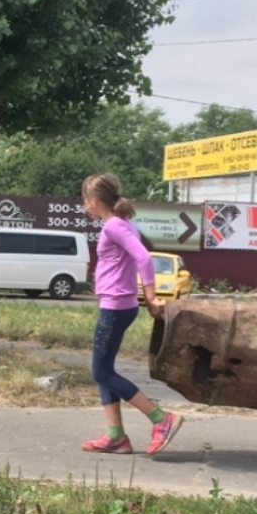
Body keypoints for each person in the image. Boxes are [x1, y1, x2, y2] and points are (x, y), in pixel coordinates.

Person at [80, 172, 183, 455]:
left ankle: (162, 419)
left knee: (100, 371)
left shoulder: (114, 225)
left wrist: (151, 296)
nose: (85, 206)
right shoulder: (123, 223)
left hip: (115, 308)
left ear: (96, 200)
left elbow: (144, 256)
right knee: (105, 372)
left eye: (86, 201)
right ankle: (116, 436)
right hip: (118, 305)